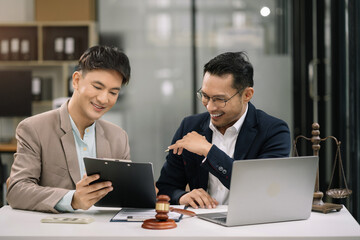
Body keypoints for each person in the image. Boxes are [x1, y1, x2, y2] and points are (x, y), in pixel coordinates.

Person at [156, 52, 291, 209]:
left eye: (220, 99)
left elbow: (261, 187)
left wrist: (208, 151)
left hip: (250, 224)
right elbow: (165, 188)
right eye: (205, 96)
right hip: (199, 225)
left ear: (247, 95)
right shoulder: (189, 126)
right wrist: (183, 197)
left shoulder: (274, 131)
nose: (210, 107)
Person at [6, 45, 131, 213]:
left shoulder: (118, 137)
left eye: (113, 92)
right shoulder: (33, 129)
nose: (103, 99)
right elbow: (17, 190)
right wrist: (72, 199)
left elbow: (126, 195)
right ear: (76, 81)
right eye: (97, 87)